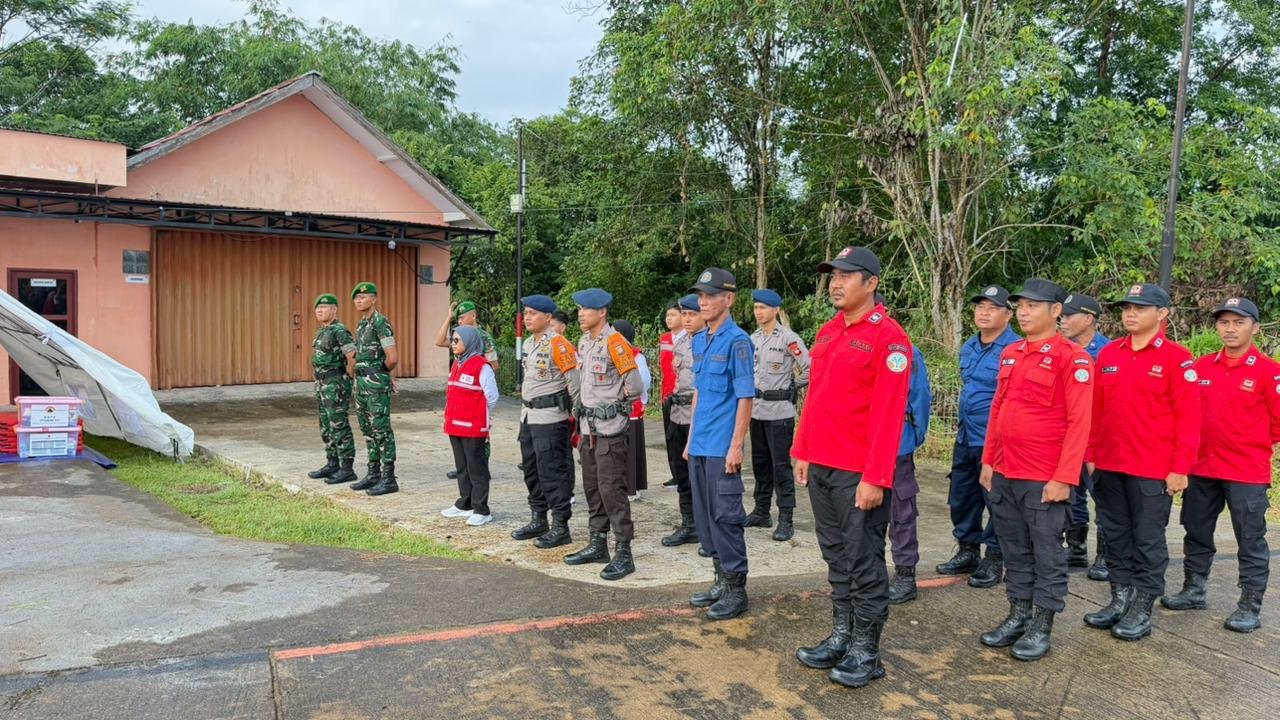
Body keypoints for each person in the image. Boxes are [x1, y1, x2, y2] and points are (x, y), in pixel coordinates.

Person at [792, 246, 910, 689]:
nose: (835, 283)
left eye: (845, 275)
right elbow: (815, 400)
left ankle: (866, 650)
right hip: (821, 465)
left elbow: (888, 413)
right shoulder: (827, 332)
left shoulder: (889, 338)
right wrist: (802, 450)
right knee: (835, 556)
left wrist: (875, 477)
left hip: (857, 474)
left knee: (863, 560)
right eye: (831, 276)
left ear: (871, 283)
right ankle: (841, 635)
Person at [977, 279, 1092, 661]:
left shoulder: (1072, 359)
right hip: (1006, 471)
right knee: (1014, 549)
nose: (1024, 312)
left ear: (1056, 311)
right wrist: (989, 461)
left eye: (1033, 305)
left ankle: (1042, 623)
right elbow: (998, 409)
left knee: (1047, 552)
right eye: (1021, 305)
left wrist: (1064, 477)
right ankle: (1018, 614)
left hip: (1043, 476)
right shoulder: (1011, 353)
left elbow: (1079, 422)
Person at [1084, 283, 1200, 642]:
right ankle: (1120, 598)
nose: (1130, 314)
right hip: (1109, 464)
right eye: (1126, 307)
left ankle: (1142, 605)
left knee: (1148, 540)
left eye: (1140, 307)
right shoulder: (1109, 355)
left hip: (1152, 469)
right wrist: (1089, 455)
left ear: (1162, 314)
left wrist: (1180, 468)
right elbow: (1096, 411)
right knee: (1114, 536)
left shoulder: (1177, 359)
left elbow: (1189, 418)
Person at [1162, 297, 1277, 633]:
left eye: (1238, 322)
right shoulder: (1200, 367)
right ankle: (1194, 589)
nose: (1230, 329)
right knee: (1196, 530)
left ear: (1254, 328)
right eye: (1224, 322)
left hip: (1246, 471)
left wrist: (1249, 441)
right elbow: (1183, 413)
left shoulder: (1269, 372)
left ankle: (1249, 605)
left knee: (1250, 539)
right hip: (1201, 468)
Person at [937, 285, 1021, 588]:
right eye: (980, 307)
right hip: (966, 436)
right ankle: (967, 550)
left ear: (1008, 314)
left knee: (997, 500)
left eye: (992, 307)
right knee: (962, 497)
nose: (984, 312)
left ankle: (995, 557)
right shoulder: (969, 347)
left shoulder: (1015, 350)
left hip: (996, 440)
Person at [685, 267, 755, 621]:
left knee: (726, 517)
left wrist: (737, 445)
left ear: (728, 299)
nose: (703, 301)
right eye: (701, 295)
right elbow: (699, 392)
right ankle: (719, 580)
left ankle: (736, 588)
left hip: (722, 446)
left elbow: (745, 396)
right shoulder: (700, 338)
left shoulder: (738, 341)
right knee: (705, 516)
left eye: (711, 296)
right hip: (700, 443)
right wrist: (689, 437)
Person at [563, 289, 644, 581]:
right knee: (593, 488)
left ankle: (624, 552)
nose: (581, 313)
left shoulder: (615, 343)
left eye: (586, 309)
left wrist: (613, 402)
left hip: (610, 430)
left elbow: (634, 385)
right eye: (579, 309)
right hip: (588, 430)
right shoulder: (585, 342)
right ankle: (598, 543)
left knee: (612, 490)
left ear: (602, 312)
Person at [511, 294, 580, 548]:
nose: (527, 317)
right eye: (526, 313)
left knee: (553, 471)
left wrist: (577, 416)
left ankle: (560, 525)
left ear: (548, 317)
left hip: (551, 417)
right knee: (532, 469)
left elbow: (574, 382)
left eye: (533, 313)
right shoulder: (529, 343)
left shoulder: (559, 345)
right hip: (529, 416)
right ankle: (538, 518)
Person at [746, 288, 811, 542]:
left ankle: (786, 518)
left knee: (780, 466)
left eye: (762, 308)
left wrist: (793, 386)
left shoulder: (788, 338)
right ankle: (762, 511)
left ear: (775, 310)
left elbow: (809, 368)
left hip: (779, 412)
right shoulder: (753, 339)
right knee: (760, 465)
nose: (758, 312)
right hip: (757, 410)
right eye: (755, 308)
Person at [1061, 293, 1112, 579]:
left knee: (1102, 497)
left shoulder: (1107, 353)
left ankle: (1106, 554)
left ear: (1089, 318)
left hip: (1098, 437)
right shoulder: (1062, 350)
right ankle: (1076, 546)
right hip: (1068, 435)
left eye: (1069, 315)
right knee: (1071, 493)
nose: (1063, 320)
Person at [887, 321, 932, 605]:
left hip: (896, 443)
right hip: (857, 446)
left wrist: (911, 437)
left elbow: (920, 399)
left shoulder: (905, 352)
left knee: (901, 511)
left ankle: (905, 574)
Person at [440, 326, 500, 526]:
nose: (453, 344)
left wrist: (480, 417)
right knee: (462, 467)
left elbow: (492, 396)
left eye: (457, 340)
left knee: (477, 469)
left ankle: (481, 509)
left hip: (473, 427)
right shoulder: (457, 364)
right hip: (455, 426)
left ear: (470, 341)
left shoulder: (481, 365)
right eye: (453, 340)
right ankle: (465, 503)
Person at [437, 299, 499, 482]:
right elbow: (439, 340)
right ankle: (464, 466)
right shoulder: (460, 336)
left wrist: (481, 381)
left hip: (478, 389)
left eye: (463, 317)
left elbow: (494, 364)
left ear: (474, 316)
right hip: (461, 391)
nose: (461, 321)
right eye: (459, 318)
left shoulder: (483, 337)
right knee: (460, 431)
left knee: (480, 432)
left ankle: (481, 466)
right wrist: (448, 318)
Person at [348, 282, 400, 496]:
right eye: (356, 298)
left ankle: (388, 478)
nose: (359, 300)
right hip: (361, 385)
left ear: (374, 299)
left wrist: (380, 374)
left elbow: (392, 358)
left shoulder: (380, 323)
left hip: (375, 385)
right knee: (368, 429)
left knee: (381, 429)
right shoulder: (361, 325)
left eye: (363, 297)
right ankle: (373, 474)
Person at [661, 294, 704, 547]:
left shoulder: (710, 342)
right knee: (682, 474)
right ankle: (688, 523)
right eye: (684, 314)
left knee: (701, 475)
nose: (687, 319)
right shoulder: (680, 342)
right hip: (677, 413)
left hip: (697, 416)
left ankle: (705, 525)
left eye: (692, 314)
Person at [306, 293, 357, 486]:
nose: (319, 310)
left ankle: (347, 468)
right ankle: (332, 462)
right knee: (326, 424)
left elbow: (352, 355)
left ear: (334, 310)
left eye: (324, 307)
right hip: (322, 384)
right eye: (317, 308)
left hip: (335, 384)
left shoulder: (340, 331)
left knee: (338, 424)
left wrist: (349, 378)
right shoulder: (322, 331)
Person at [613, 320, 650, 501]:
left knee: (631, 449)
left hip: (631, 408)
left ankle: (632, 488)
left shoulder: (635, 354)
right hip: (616, 409)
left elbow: (643, 380)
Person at [659, 303, 682, 487]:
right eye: (667, 315)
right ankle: (675, 473)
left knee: (681, 435)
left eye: (673, 315)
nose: (669, 318)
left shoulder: (689, 338)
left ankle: (684, 473)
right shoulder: (664, 339)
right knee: (669, 436)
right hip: (666, 395)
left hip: (682, 396)